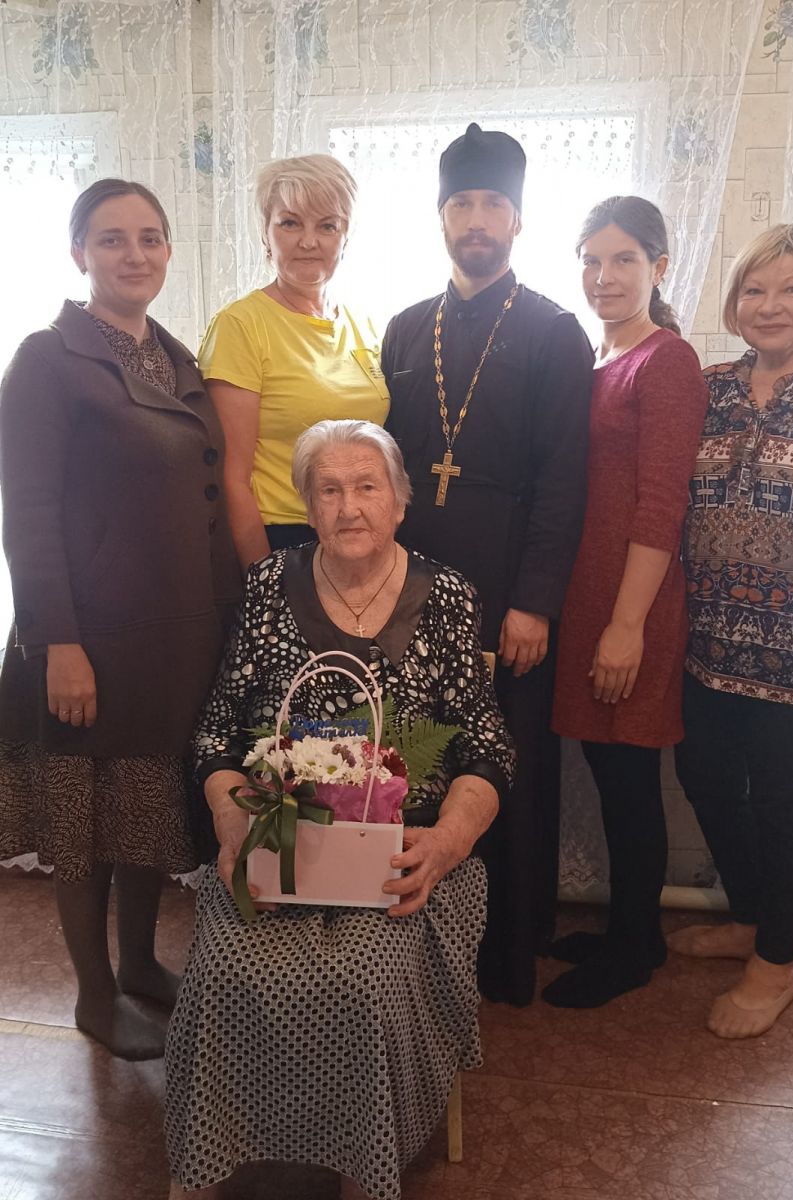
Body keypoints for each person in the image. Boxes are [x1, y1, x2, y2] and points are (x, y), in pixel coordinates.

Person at [164, 419, 515, 1200]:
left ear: (400, 501)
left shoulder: (447, 596)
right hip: (277, 843)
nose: (349, 506)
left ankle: (363, 1163)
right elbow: (218, 732)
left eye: (366, 487)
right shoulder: (268, 586)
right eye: (329, 489)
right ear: (306, 504)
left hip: (403, 857)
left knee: (362, 978)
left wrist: (446, 843)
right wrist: (233, 824)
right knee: (227, 966)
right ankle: (215, 1153)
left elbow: (488, 747)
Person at [0, 178, 241, 1060]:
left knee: (146, 813)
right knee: (83, 827)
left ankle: (140, 965)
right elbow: (27, 514)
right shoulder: (46, 360)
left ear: (169, 250)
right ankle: (94, 997)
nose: (134, 255)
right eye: (112, 239)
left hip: (173, 644)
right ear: (79, 254)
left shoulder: (178, 361)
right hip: (87, 642)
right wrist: (57, 643)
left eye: (149, 237)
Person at [381, 123, 593, 1006]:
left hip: (508, 589)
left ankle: (507, 954)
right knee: (415, 753)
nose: (476, 219)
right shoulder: (405, 327)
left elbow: (565, 479)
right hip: (415, 588)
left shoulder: (554, 330)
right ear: (441, 217)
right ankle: (417, 939)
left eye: (493, 204)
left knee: (509, 762)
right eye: (462, 203)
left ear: (517, 220)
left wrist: (535, 602)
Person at [669, 224, 793, 1038]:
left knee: (786, 808)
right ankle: (751, 915)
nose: (771, 305)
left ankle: (776, 964)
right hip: (705, 648)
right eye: (756, 290)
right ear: (735, 302)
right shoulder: (710, 389)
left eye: (792, 288)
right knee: (704, 779)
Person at [547, 196, 708, 1009]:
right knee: (610, 771)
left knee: (630, 774)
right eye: (590, 260)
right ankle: (630, 930)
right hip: (589, 598)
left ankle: (636, 947)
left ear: (659, 267)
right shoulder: (599, 355)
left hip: (631, 603)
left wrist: (626, 625)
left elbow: (660, 506)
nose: (603, 276)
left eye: (622, 260)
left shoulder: (665, 361)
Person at [198, 154, 389, 567]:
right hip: (284, 540)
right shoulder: (240, 326)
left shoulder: (364, 326)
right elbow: (231, 478)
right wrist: (265, 579)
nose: (308, 241)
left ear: (346, 236)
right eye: (290, 223)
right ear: (265, 235)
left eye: (327, 226)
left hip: (361, 536)